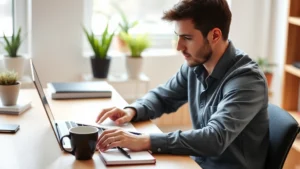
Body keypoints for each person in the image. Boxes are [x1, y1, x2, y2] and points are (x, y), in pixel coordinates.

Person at [95, 0, 269, 168]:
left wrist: (145, 141)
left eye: (187, 38)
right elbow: (163, 97)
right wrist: (132, 111)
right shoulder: (195, 65)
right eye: (178, 37)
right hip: (196, 163)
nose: (179, 47)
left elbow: (215, 138)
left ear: (215, 35)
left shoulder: (246, 80)